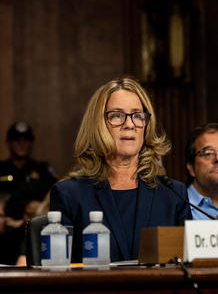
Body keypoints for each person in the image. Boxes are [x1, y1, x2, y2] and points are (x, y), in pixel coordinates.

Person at [50, 77, 190, 263]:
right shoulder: (69, 195)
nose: (130, 124)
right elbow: (58, 273)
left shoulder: (173, 195)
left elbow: (188, 267)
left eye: (137, 115)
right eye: (117, 115)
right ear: (98, 125)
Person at [0, 121, 56, 217]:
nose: (22, 144)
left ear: (31, 143)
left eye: (26, 140)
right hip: (4, 222)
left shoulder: (42, 169)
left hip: (35, 220)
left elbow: (53, 197)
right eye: (17, 140)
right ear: (8, 143)